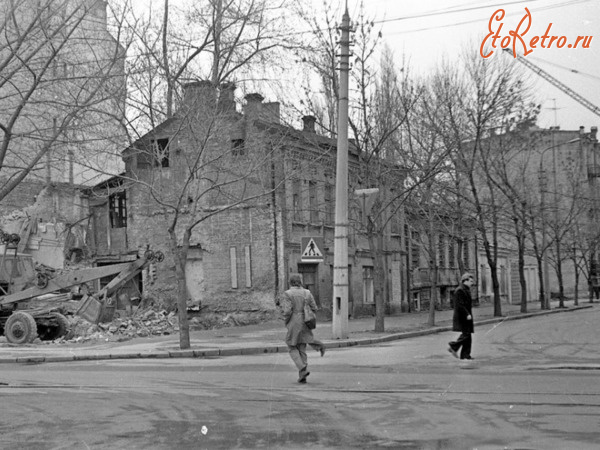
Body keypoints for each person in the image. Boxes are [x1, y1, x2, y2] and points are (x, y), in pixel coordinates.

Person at [279, 273, 326, 383]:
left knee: (291, 345)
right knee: (302, 347)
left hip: (294, 321)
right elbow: (314, 307)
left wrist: (285, 319)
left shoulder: (287, 294)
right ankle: (302, 375)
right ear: (300, 282)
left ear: (290, 282)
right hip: (305, 320)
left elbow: (287, 311)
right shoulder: (307, 292)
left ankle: (302, 368)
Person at [448, 273, 475, 360]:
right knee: (466, 334)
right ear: (465, 281)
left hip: (466, 316)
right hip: (463, 316)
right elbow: (460, 305)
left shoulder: (465, 289)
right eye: (470, 281)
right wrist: (467, 314)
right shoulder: (460, 290)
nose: (472, 283)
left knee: (468, 336)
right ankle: (453, 346)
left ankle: (465, 355)